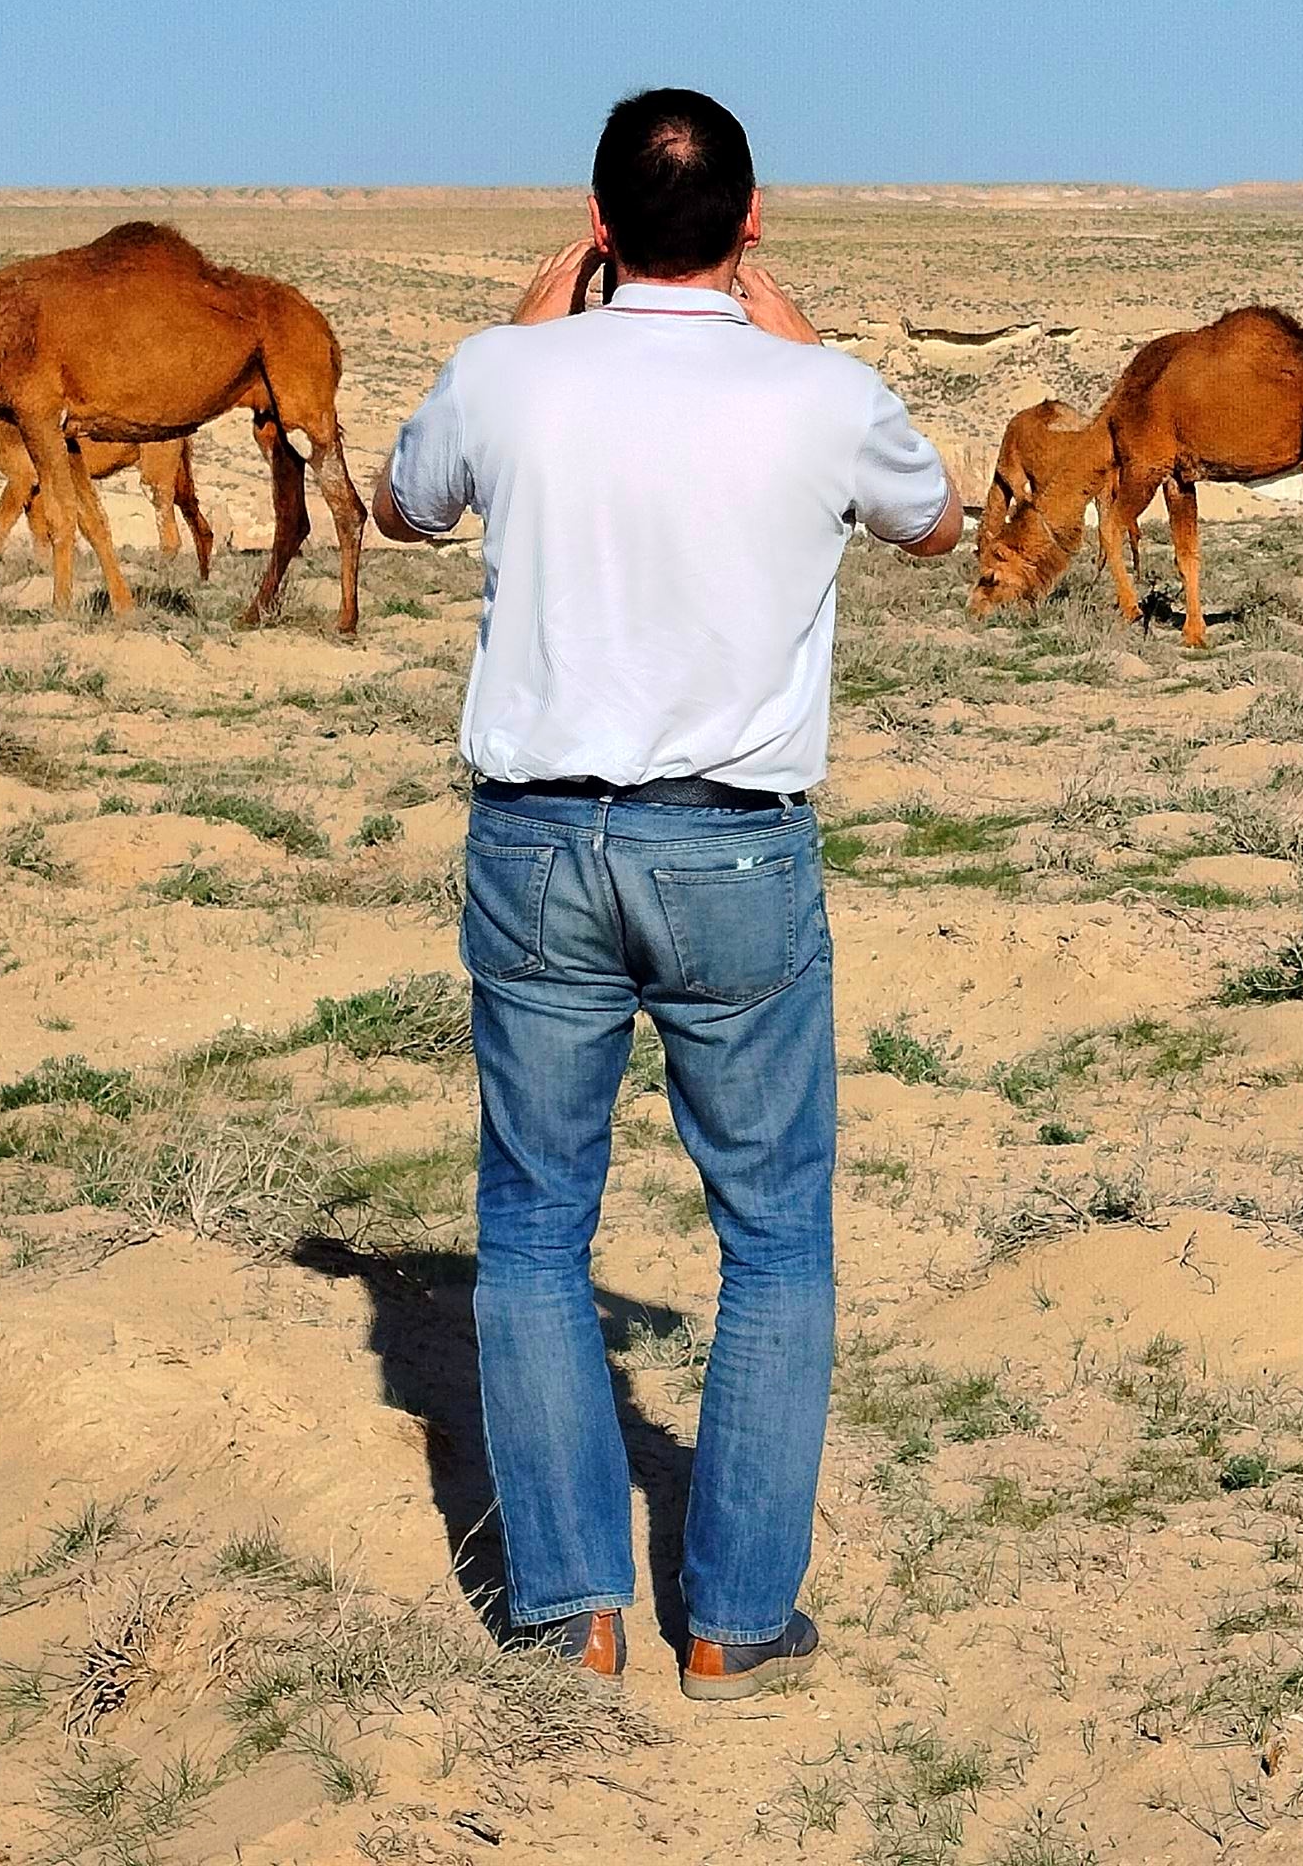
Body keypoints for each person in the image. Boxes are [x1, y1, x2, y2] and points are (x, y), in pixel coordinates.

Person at [371, 89, 960, 1699]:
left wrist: (518, 332)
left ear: (597, 224)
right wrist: (798, 334)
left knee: (533, 1226)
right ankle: (735, 1619)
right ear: (752, 223)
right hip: (734, 854)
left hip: (537, 848)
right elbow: (934, 526)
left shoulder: (507, 373)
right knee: (772, 1240)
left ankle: (573, 1609)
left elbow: (401, 507)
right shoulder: (823, 394)